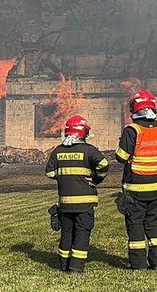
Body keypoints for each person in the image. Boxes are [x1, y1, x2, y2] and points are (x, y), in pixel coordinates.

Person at [114, 89, 157, 270]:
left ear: (134, 109)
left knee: (135, 224)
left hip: (136, 188)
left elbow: (121, 157)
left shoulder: (132, 130)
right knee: (153, 222)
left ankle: (138, 263)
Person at [44, 115, 109, 273]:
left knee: (67, 233)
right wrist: (95, 178)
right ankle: (76, 267)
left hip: (65, 202)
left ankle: (64, 265)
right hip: (84, 203)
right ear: (83, 132)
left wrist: (65, 177)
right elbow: (104, 165)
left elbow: (50, 173)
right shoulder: (89, 150)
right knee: (82, 232)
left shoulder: (58, 151)